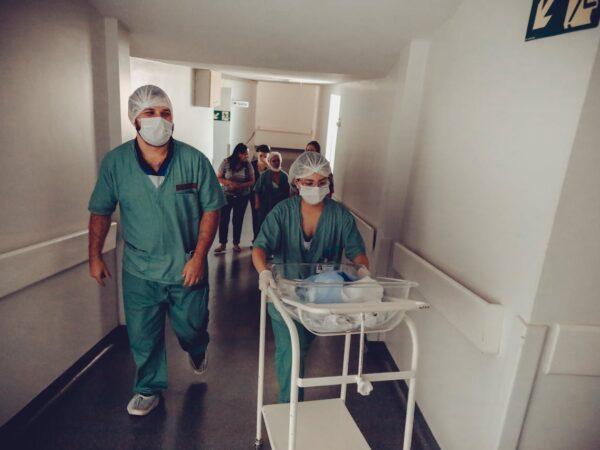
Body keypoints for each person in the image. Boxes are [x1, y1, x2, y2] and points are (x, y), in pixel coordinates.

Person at [88, 85, 226, 417]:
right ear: (134, 119)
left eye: (165, 113)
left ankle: (196, 348)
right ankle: (148, 388)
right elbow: (100, 211)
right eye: (149, 113)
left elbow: (212, 209)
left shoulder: (193, 160)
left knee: (192, 327)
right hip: (140, 269)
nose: (159, 120)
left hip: (185, 265)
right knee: (143, 334)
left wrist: (198, 258)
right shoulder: (116, 163)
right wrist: (94, 256)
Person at [252, 151, 369, 403]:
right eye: (308, 182)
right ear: (296, 182)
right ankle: (290, 408)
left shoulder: (339, 216)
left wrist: (363, 274)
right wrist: (264, 271)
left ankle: (294, 401)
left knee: (302, 347)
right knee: (291, 352)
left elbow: (357, 252)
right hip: (284, 296)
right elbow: (260, 246)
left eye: (321, 182)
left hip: (321, 299)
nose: (316, 188)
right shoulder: (283, 212)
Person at [215, 143, 255, 253]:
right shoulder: (226, 162)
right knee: (224, 219)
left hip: (242, 197)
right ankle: (222, 244)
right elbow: (218, 177)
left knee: (238, 220)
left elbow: (252, 181)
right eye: (245, 154)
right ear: (238, 154)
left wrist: (239, 185)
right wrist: (229, 183)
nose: (247, 156)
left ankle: (236, 244)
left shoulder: (248, 165)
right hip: (226, 195)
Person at [253, 151, 290, 228]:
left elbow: (289, 192)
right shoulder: (264, 175)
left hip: (279, 205)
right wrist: (257, 203)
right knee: (264, 225)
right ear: (269, 162)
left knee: (278, 225)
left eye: (278, 160)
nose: (276, 163)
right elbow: (257, 190)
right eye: (274, 161)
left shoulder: (285, 176)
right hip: (265, 205)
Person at [250, 144, 270, 241]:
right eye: (261, 155)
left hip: (266, 195)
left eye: (265, 156)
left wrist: (268, 166)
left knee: (266, 217)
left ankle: (264, 239)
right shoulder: (252, 164)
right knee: (255, 216)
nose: (263, 158)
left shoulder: (270, 165)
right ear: (257, 154)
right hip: (253, 194)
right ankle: (255, 239)